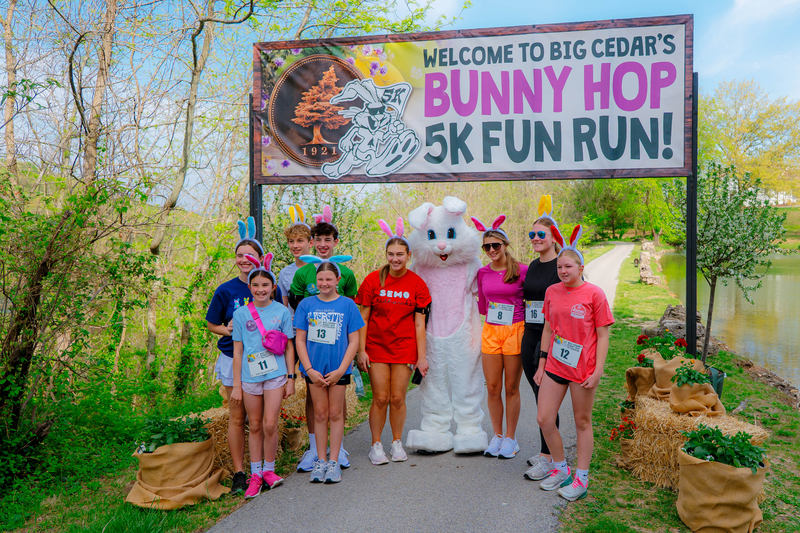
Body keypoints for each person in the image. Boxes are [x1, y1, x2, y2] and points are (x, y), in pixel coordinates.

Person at [534, 225, 614, 501]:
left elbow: (603, 335)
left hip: (583, 369)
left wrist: (598, 370)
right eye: (559, 267)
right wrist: (542, 364)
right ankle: (560, 468)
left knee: (582, 421)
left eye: (568, 266)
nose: (563, 271)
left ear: (580, 267)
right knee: (544, 418)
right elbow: (547, 329)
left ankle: (581, 478)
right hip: (556, 365)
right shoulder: (552, 292)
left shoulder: (595, 294)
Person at [289, 205, 359, 472]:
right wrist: (306, 367)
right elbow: (296, 309)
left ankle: (336, 451)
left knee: (335, 409)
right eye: (316, 240)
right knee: (316, 405)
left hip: (338, 356)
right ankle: (316, 452)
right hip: (312, 355)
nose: (321, 244)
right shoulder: (302, 278)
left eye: (327, 240)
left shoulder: (347, 279)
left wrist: (346, 364)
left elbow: (351, 319)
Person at [355, 218, 431, 465]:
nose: (395, 259)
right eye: (391, 254)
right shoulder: (372, 280)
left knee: (398, 397)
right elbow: (362, 318)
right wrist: (361, 351)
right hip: (376, 347)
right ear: (386, 255)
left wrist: (422, 356)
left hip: (404, 347)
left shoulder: (417, 284)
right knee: (380, 398)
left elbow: (420, 323)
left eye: (400, 254)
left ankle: (396, 441)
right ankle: (376, 444)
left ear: (409, 255)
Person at [294, 256, 365, 483]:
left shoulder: (347, 305)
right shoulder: (306, 305)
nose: (324, 283)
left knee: (336, 414)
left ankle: (334, 462)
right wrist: (309, 369)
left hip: (338, 370)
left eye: (329, 279)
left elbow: (353, 341)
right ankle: (320, 461)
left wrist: (342, 370)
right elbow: (300, 340)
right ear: (316, 280)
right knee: (320, 414)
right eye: (320, 279)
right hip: (314, 370)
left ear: (338, 279)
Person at [230, 253, 295, 498]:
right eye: (255, 285)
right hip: (249, 377)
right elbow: (238, 351)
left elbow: (289, 346)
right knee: (254, 425)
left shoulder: (282, 312)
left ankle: (269, 470)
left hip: (276, 375)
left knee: (270, 423)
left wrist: (291, 378)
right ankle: (255, 475)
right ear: (250, 287)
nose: (260, 289)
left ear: (273, 287)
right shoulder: (240, 315)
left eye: (265, 285)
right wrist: (237, 385)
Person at [205, 216, 262, 495]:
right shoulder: (226, 290)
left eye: (250, 255)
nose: (244, 259)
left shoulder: (267, 286)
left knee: (259, 419)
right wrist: (228, 331)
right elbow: (212, 324)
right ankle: (240, 472)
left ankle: (260, 469)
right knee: (237, 417)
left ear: (261, 258)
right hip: (232, 359)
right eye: (240, 255)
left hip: (263, 361)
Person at [472, 215, 527, 459]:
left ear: (505, 245)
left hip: (516, 330)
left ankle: (511, 439)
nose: (492, 250)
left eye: (496, 245)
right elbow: (483, 307)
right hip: (491, 331)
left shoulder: (521, 270)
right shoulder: (482, 273)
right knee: (492, 387)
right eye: (487, 246)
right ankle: (497, 435)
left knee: (511, 387)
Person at [521, 196, 564, 481]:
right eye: (531, 234)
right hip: (530, 333)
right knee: (537, 396)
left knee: (545, 397)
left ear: (553, 237)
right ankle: (546, 451)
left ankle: (549, 458)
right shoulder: (533, 266)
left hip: (550, 338)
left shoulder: (562, 265)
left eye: (541, 235)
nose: (535, 239)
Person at [278, 204, 312, 314]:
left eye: (300, 241)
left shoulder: (321, 268)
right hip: (293, 329)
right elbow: (283, 307)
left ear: (310, 243)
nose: (295, 245)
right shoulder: (284, 273)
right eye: (291, 241)